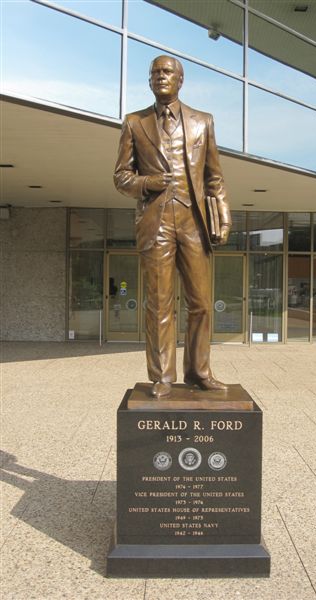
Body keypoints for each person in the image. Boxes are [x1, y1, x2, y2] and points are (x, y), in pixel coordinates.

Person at [114, 55, 231, 397]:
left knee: (201, 303)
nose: (160, 76)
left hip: (194, 222)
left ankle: (199, 372)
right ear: (149, 81)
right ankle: (162, 377)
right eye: (155, 72)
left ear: (181, 80)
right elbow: (121, 177)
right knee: (160, 303)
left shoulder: (203, 122)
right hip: (157, 222)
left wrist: (223, 217)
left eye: (167, 72)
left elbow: (215, 178)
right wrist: (149, 182)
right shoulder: (135, 123)